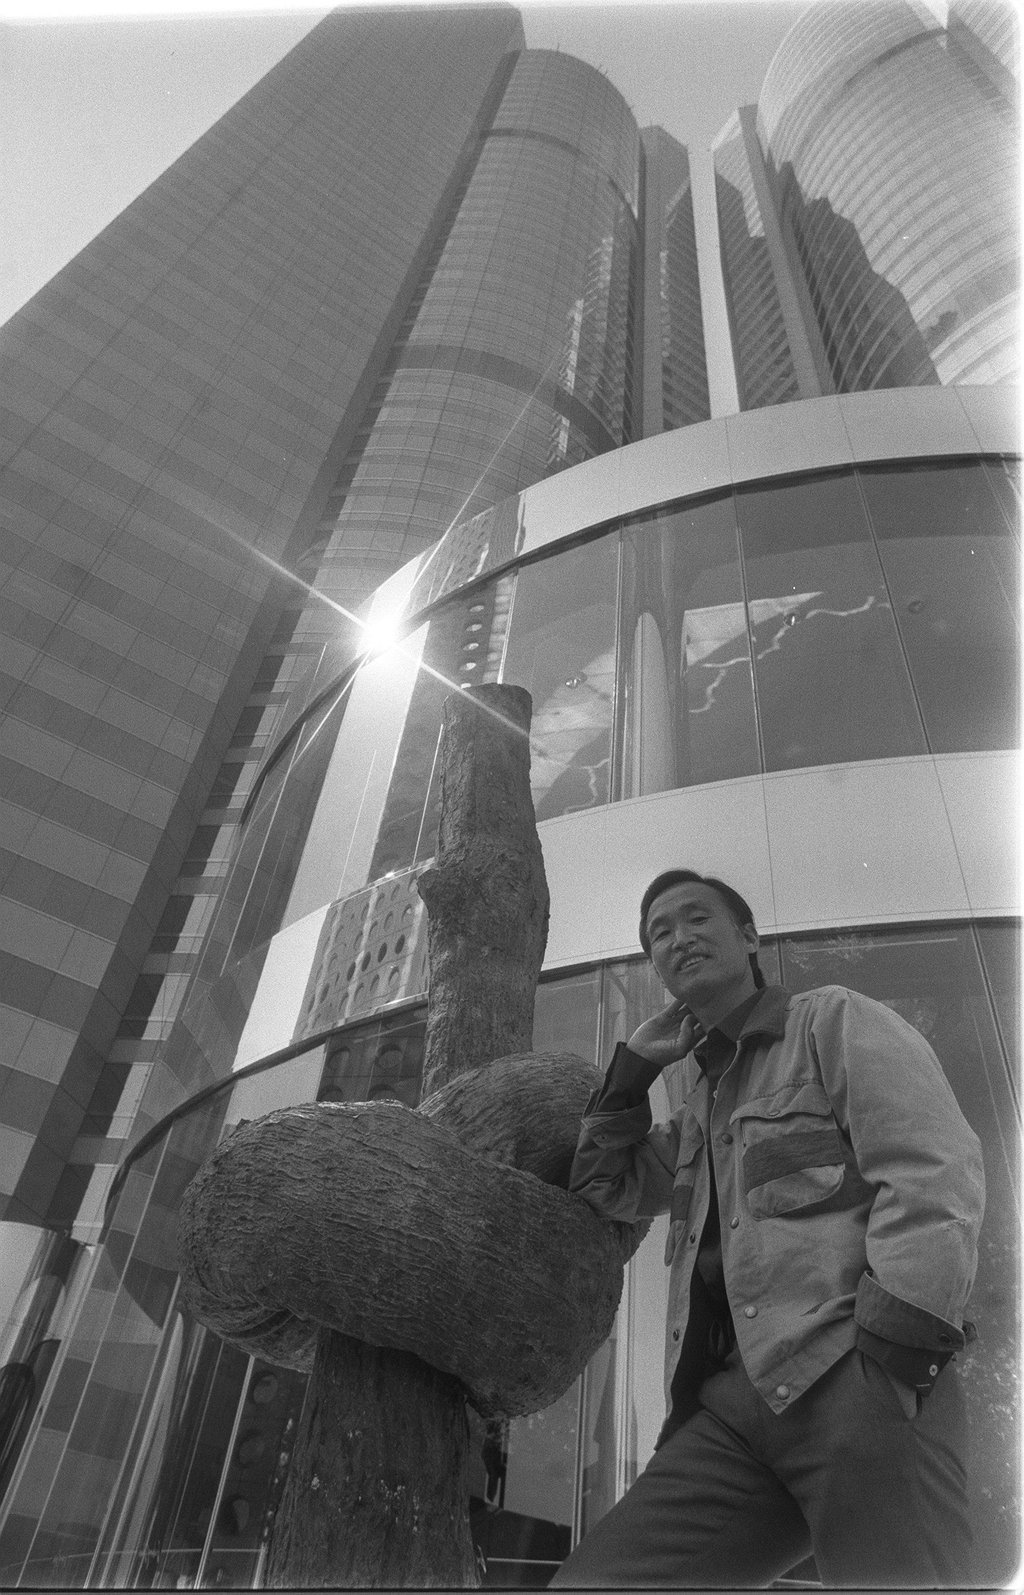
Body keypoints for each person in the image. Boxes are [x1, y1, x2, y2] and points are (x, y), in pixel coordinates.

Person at [552, 868, 985, 1590]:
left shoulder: (830, 1020)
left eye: (696, 918)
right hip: (728, 1414)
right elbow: (609, 1187)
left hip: (852, 1376)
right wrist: (630, 1072)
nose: (678, 937)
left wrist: (892, 1360)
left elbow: (931, 1168)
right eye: (660, 932)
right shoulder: (698, 1101)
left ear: (748, 936)